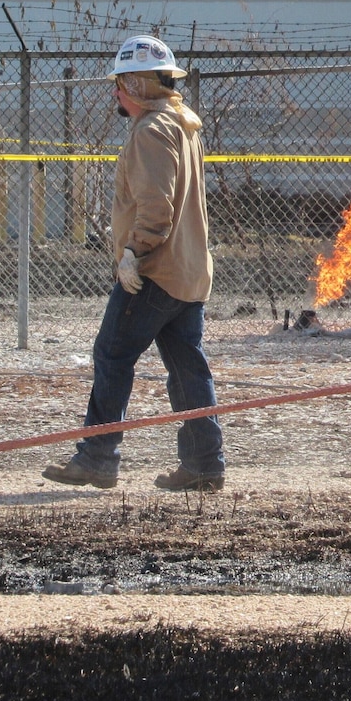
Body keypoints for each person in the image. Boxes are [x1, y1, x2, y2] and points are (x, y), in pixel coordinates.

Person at [42, 34, 225, 492]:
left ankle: (98, 457)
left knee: (112, 353)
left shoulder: (151, 131)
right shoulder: (183, 125)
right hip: (188, 272)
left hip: (154, 273)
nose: (116, 93)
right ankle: (205, 464)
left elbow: (156, 209)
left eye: (122, 84)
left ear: (140, 85)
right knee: (187, 368)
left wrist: (132, 255)